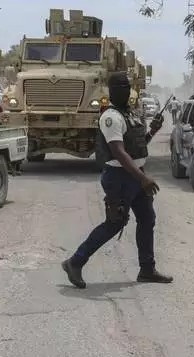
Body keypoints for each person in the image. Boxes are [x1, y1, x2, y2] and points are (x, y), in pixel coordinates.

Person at [61, 71, 172, 289]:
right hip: (120, 178)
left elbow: (137, 148)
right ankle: (75, 262)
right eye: (119, 88)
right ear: (111, 92)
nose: (123, 91)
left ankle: (147, 269)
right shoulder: (110, 117)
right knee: (114, 224)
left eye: (126, 87)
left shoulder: (130, 115)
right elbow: (119, 153)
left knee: (147, 219)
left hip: (135, 175)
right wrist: (143, 178)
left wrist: (153, 131)